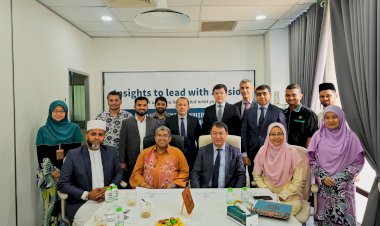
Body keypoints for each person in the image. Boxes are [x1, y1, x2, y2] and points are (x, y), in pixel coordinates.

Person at [307, 106, 364, 225]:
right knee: (324, 219)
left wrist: (337, 178)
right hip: (324, 186)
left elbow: (358, 162)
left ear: (341, 118)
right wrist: (322, 176)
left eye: (334, 117)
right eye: (327, 117)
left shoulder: (351, 137)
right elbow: (311, 159)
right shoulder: (318, 135)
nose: (330, 120)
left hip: (344, 187)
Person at [57, 120, 122, 224]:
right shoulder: (73, 155)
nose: (97, 138)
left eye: (100, 135)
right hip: (82, 203)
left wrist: (110, 187)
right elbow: (62, 184)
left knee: (121, 221)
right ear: (87, 136)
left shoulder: (111, 152)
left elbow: (118, 173)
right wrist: (87, 195)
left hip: (108, 199)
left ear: (104, 137)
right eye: (93, 134)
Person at [36, 100, 83, 226]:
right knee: (51, 205)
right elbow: (41, 156)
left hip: (69, 172)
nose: (58, 114)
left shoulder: (74, 128)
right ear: (50, 112)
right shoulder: (43, 131)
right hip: (48, 174)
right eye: (55, 111)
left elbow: (78, 153)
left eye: (62, 111)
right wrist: (53, 172)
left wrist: (66, 171)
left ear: (66, 112)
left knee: (70, 203)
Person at [253, 123, 303, 216]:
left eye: (280, 134)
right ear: (268, 136)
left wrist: (283, 195)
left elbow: (298, 179)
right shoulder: (263, 150)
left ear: (284, 134)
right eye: (272, 134)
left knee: (280, 213)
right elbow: (257, 175)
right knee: (259, 210)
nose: (276, 137)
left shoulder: (292, 152)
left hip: (289, 197)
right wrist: (267, 192)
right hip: (267, 196)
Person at [241, 85, 286, 183]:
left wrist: (282, 153)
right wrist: (244, 153)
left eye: (264, 94)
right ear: (255, 96)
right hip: (252, 152)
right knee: (254, 180)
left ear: (270, 95)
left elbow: (283, 134)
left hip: (272, 153)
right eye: (259, 94)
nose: (262, 96)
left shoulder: (277, 111)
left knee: (271, 181)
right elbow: (243, 132)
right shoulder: (248, 112)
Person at [118, 96, 158, 187]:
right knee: (133, 185)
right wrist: (122, 161)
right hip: (132, 161)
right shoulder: (126, 122)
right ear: (134, 107)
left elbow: (157, 142)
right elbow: (122, 143)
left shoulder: (154, 122)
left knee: (149, 184)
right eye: (139, 105)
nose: (142, 107)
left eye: (144, 105)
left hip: (150, 160)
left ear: (147, 107)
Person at [191, 122, 246, 188]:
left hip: (228, 191)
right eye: (214, 133)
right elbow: (195, 173)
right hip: (207, 191)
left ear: (226, 134)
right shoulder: (203, 150)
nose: (217, 136)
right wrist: (198, 191)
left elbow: (241, 174)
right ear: (211, 134)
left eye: (220, 133)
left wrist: (236, 192)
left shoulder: (235, 151)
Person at [165, 97, 201, 171]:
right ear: (176, 107)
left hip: (191, 155)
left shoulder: (194, 120)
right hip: (174, 155)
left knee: (190, 176)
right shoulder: (169, 120)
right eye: (180, 105)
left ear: (188, 107)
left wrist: (199, 153)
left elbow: (199, 138)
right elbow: (166, 138)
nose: (182, 107)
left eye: (184, 105)